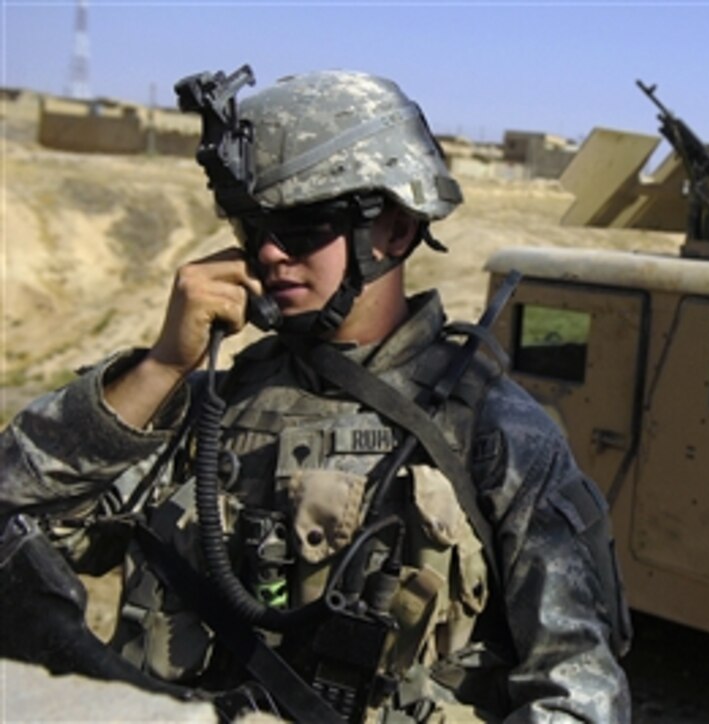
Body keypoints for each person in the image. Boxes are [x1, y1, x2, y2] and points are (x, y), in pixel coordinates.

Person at [0, 69, 632, 722]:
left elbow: (577, 695)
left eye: (302, 227)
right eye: (252, 226)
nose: (270, 253)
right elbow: (17, 512)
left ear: (395, 227)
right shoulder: (203, 408)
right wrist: (161, 366)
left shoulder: (497, 437)